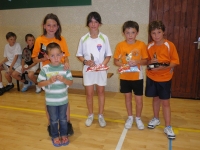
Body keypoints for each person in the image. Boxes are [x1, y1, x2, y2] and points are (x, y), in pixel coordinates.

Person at [31, 13, 74, 136]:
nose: (51, 28)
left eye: (54, 25)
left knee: (64, 97)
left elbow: (65, 56)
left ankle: (68, 123)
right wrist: (43, 58)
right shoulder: (39, 40)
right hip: (47, 71)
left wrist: (66, 63)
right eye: (49, 25)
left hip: (60, 70)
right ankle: (51, 124)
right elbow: (34, 59)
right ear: (44, 26)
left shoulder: (61, 39)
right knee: (49, 99)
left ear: (58, 26)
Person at [76, 12, 112, 127]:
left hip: (101, 70)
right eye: (91, 21)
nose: (93, 24)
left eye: (96, 21)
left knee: (101, 92)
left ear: (99, 24)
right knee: (89, 93)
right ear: (88, 24)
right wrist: (86, 62)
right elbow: (79, 55)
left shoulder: (104, 38)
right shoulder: (83, 38)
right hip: (88, 70)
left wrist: (101, 65)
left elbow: (108, 55)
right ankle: (91, 114)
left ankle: (101, 115)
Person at [145, 21, 180, 139]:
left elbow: (175, 62)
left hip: (165, 78)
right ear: (150, 34)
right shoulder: (149, 46)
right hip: (152, 77)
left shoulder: (170, 45)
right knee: (155, 99)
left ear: (163, 32)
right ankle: (156, 118)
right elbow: (146, 62)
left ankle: (168, 126)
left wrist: (165, 67)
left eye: (159, 32)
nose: (156, 35)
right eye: (153, 33)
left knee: (165, 102)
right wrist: (151, 62)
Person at [113, 21, 148, 130]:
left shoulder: (141, 44)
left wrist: (137, 61)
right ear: (123, 33)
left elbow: (146, 61)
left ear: (137, 33)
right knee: (127, 98)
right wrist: (123, 65)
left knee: (138, 100)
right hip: (125, 77)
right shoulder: (120, 45)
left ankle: (138, 118)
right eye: (127, 33)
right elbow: (115, 61)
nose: (130, 35)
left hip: (137, 77)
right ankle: (130, 117)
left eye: (133, 32)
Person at [37, 42, 73, 147]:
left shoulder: (65, 68)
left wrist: (64, 79)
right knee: (53, 120)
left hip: (63, 100)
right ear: (47, 56)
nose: (56, 58)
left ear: (62, 55)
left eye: (58, 55)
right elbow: (39, 83)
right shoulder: (45, 69)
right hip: (51, 101)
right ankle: (55, 136)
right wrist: (49, 81)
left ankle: (64, 134)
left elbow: (70, 82)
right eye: (52, 55)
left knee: (63, 118)